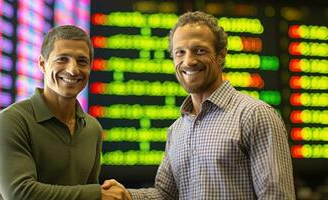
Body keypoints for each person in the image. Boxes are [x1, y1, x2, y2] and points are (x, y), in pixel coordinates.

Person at [103, 11, 296, 199]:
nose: (188, 61)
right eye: (180, 52)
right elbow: (166, 195)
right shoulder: (176, 129)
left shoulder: (255, 115)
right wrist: (125, 195)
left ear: (221, 55)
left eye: (199, 50)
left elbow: (276, 195)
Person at [0, 25, 127, 200]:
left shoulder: (93, 128)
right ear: (42, 64)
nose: (73, 69)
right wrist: (97, 193)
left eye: (82, 61)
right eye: (62, 59)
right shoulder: (11, 121)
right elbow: (20, 194)